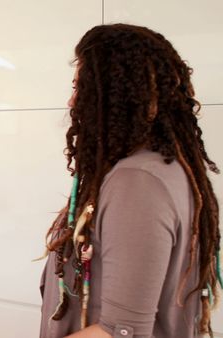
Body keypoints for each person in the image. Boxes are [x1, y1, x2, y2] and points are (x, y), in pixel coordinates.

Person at [39, 24, 220, 338]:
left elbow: (120, 333)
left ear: (114, 95)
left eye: (80, 86)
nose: (72, 101)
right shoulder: (161, 169)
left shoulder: (137, 182)